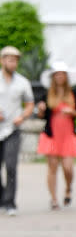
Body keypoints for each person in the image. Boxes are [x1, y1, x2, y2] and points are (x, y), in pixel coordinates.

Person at [36, 61, 76, 209]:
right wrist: (41, 109)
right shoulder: (47, 94)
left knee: (68, 168)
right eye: (57, 74)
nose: (59, 77)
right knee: (52, 166)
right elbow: (42, 115)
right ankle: (54, 198)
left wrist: (71, 112)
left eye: (62, 74)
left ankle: (68, 188)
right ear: (53, 77)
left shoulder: (74, 94)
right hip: (52, 135)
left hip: (68, 134)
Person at [0, 45, 34, 215]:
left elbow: (29, 104)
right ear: (2, 60)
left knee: (11, 166)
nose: (12, 63)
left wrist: (22, 117)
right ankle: (1, 198)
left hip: (12, 129)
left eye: (15, 60)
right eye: (9, 59)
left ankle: (10, 202)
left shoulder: (23, 82)